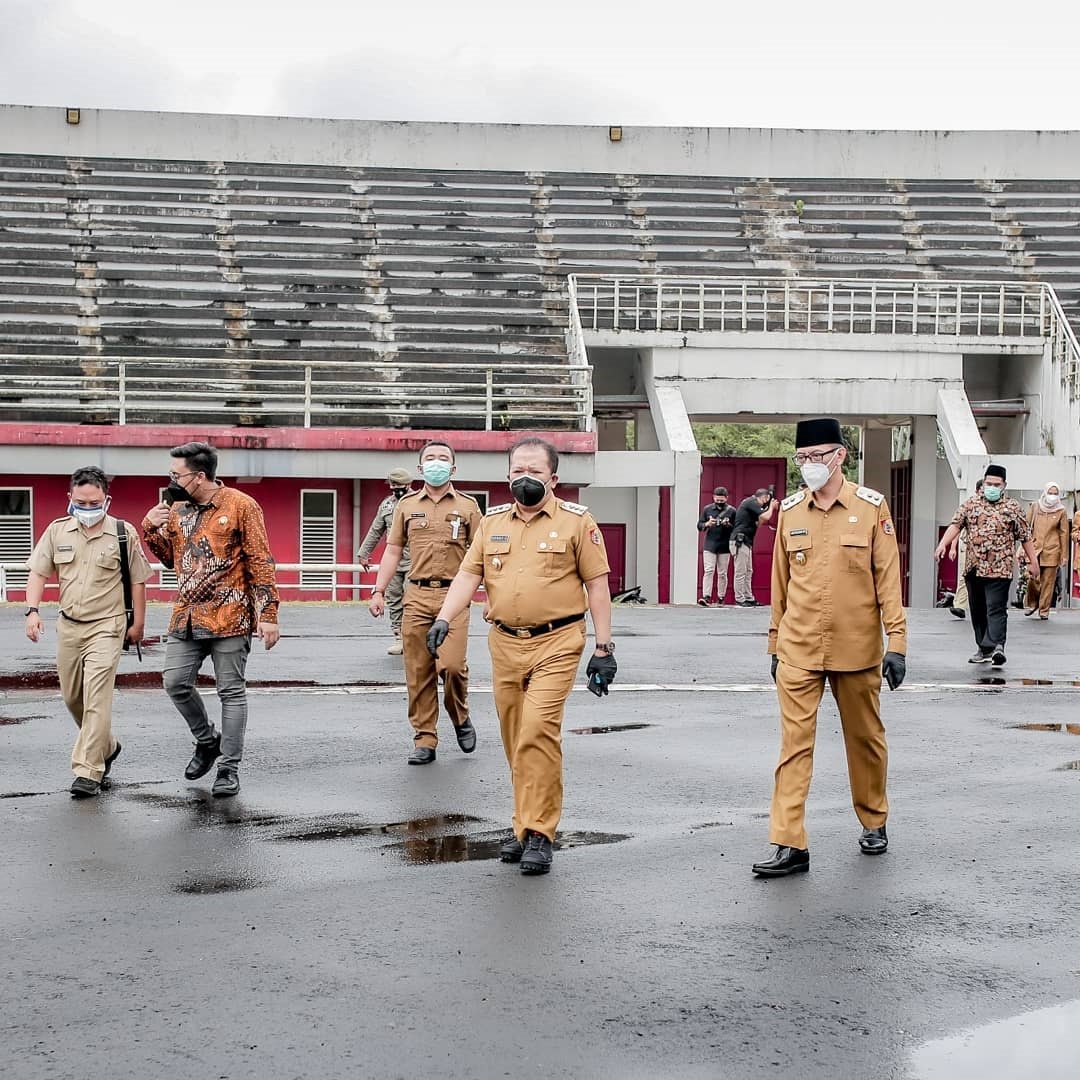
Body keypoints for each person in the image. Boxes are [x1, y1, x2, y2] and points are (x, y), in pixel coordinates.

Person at [426, 436, 616, 876]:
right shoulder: (492, 523)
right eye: (517, 471)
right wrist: (444, 618)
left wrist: (604, 647)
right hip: (505, 643)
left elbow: (599, 586)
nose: (524, 478)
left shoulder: (576, 522)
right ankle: (521, 824)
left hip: (558, 641)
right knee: (515, 739)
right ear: (507, 475)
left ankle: (540, 833)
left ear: (553, 477)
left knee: (537, 732)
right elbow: (468, 574)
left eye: (534, 471)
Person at [753, 419, 907, 878]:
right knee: (793, 747)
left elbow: (889, 583)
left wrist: (895, 643)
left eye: (816, 456)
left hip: (857, 650)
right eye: (801, 458)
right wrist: (775, 643)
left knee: (866, 741)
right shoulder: (791, 512)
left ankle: (874, 819)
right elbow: (780, 584)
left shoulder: (871, 508)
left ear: (840, 456)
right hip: (799, 648)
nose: (808, 466)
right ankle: (789, 842)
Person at [141, 442, 280, 798]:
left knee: (230, 692)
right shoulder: (177, 509)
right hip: (186, 615)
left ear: (199, 476)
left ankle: (228, 768)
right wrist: (150, 529)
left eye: (177, 474)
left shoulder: (241, 505)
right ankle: (207, 739)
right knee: (175, 683)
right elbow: (172, 559)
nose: (171, 479)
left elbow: (260, 560)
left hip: (230, 615)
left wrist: (268, 614)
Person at [24, 466, 152, 798]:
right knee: (72, 697)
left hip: (107, 627)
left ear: (106, 500)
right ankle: (107, 746)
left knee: (97, 697)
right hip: (69, 625)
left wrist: (137, 625)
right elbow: (38, 573)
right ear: (70, 498)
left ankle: (88, 771)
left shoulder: (123, 533)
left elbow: (138, 582)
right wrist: (33, 611)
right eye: (82, 502)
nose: (88, 508)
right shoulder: (57, 531)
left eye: (95, 502)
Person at [369, 441, 481, 765]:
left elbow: (483, 555)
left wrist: (493, 598)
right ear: (420, 469)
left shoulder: (469, 506)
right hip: (415, 596)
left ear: (453, 469)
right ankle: (425, 738)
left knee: (452, 666)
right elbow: (392, 551)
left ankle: (460, 716)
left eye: (443, 459)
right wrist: (378, 590)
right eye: (430, 459)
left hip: (455, 598)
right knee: (418, 671)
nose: (436, 463)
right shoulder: (405, 506)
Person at [934, 464, 1038, 668]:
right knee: (978, 609)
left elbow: (1025, 537)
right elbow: (955, 524)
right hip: (974, 568)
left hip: (1000, 568)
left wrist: (1033, 562)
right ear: (983, 482)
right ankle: (984, 648)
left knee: (996, 608)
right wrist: (942, 545)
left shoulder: (1012, 508)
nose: (991, 487)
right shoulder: (971, 504)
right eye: (988, 483)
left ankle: (998, 646)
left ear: (1004, 485)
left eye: (996, 484)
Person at [357, 466, 414, 655]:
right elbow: (376, 530)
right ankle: (400, 638)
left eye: (399, 484)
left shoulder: (419, 502)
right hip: (394, 563)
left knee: (413, 599)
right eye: (393, 484)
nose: (396, 487)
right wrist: (363, 553)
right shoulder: (387, 505)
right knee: (394, 598)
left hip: (417, 560)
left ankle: (415, 638)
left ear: (409, 484)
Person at [1023, 483, 1070, 619]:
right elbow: (1026, 528)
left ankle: (1044, 610)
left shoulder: (1061, 510)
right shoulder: (1035, 506)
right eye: (1051, 492)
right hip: (1034, 548)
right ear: (1045, 492)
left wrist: (1064, 555)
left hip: (1053, 550)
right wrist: (1023, 548)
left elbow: (1064, 533)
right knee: (1032, 578)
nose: (1053, 496)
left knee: (1048, 582)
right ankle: (1033, 603)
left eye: (1056, 493)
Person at [731, 487, 778, 606]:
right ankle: (740, 598)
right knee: (741, 571)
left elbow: (760, 522)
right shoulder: (751, 502)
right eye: (767, 499)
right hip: (739, 540)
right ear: (764, 497)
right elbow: (766, 517)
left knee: (748, 571)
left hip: (747, 541)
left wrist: (768, 509)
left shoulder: (752, 506)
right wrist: (771, 507)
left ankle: (748, 597)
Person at [946, 479, 982, 620]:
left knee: (983, 578)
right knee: (964, 576)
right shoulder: (968, 506)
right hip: (967, 545)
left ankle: (981, 607)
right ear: (977, 491)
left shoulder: (997, 508)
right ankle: (960, 606)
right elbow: (957, 526)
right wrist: (952, 547)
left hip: (986, 548)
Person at [697, 486, 736, 605]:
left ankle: (721, 597)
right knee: (708, 570)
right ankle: (706, 596)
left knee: (722, 572)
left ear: (726, 498)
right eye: (717, 500)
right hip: (710, 544)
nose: (719, 502)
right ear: (713, 497)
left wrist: (728, 524)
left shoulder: (732, 511)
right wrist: (708, 524)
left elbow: (736, 527)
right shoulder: (707, 509)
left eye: (721, 500)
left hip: (724, 545)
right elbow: (699, 525)